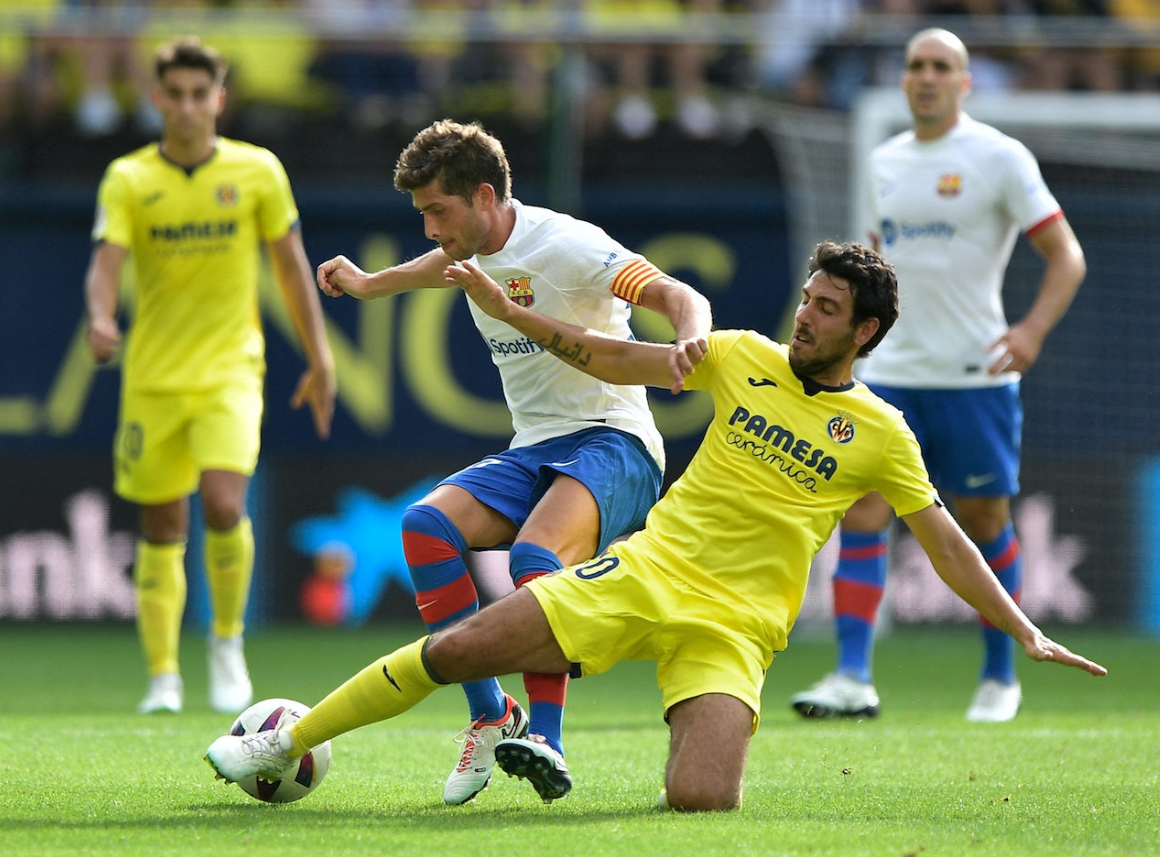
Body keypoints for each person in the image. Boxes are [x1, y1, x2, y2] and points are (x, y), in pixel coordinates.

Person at [205, 240, 1106, 812]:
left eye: (827, 309)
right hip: (648, 571)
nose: (806, 314)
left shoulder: (879, 433)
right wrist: (517, 312)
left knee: (701, 798)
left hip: (737, 626)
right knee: (458, 648)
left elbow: (945, 536)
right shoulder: (745, 356)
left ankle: (611, 732)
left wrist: (1021, 625)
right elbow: (610, 352)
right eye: (806, 296)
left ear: (863, 331)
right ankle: (291, 735)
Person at [313, 118, 712, 805]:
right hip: (536, 447)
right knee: (423, 526)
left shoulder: (569, 245)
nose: (431, 228)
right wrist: (370, 284)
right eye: (422, 214)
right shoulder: (468, 248)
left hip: (615, 440)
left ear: (485, 196)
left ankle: (549, 741)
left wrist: (691, 339)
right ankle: (492, 712)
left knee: (534, 556)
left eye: (439, 210)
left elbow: (680, 295)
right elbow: (441, 265)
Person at [789, 28, 1087, 725]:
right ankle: (853, 674)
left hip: (974, 374)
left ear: (965, 81)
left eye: (941, 67)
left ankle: (998, 675)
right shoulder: (885, 160)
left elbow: (1065, 254)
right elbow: (868, 266)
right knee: (862, 507)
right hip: (888, 370)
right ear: (904, 80)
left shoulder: (1000, 157)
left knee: (983, 518)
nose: (926, 77)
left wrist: (1032, 329)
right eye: (916, 65)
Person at [84, 36, 337, 716]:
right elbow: (106, 262)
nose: (190, 107)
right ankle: (163, 676)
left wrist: (321, 355)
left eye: (203, 95)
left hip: (231, 368)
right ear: (159, 98)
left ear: (219, 100)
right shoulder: (129, 178)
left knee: (225, 503)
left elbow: (289, 266)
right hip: (153, 378)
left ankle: (227, 641)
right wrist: (101, 317)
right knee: (161, 522)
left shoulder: (257, 172)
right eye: (178, 94)